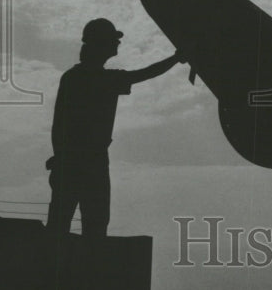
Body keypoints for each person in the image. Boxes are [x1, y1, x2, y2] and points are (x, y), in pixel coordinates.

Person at [46, 17, 185, 239]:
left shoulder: (74, 77)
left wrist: (59, 156)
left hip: (71, 161)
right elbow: (144, 74)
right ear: (100, 45)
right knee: (94, 225)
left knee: (63, 223)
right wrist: (176, 59)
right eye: (112, 40)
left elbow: (58, 124)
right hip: (90, 161)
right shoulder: (101, 79)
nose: (117, 44)